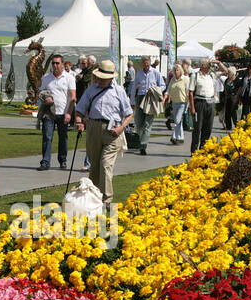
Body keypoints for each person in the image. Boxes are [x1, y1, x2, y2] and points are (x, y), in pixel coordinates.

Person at [74, 59, 132, 206]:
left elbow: (129, 113)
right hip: (93, 128)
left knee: (105, 165)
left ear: (111, 77)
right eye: (99, 77)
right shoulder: (91, 90)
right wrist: (79, 121)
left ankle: (106, 200)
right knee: (94, 166)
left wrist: (121, 128)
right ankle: (93, 197)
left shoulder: (119, 91)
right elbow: (80, 109)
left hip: (112, 132)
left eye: (104, 78)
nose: (100, 80)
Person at [38, 53, 75, 171]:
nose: (55, 65)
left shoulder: (69, 78)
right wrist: (45, 98)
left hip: (63, 111)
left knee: (63, 137)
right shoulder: (46, 78)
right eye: (53, 63)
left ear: (62, 64)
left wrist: (69, 113)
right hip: (49, 112)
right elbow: (40, 93)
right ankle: (45, 162)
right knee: (47, 137)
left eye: (57, 63)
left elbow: (73, 97)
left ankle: (62, 160)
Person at [132, 56, 164, 156]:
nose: (146, 64)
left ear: (150, 62)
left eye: (147, 62)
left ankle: (143, 145)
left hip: (150, 98)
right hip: (140, 98)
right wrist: (132, 101)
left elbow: (163, 85)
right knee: (139, 122)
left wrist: (155, 89)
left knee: (147, 123)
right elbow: (134, 87)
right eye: (144, 63)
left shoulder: (155, 72)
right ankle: (140, 140)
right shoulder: (139, 73)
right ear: (142, 63)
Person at [189, 60, 218, 152]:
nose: (209, 66)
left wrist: (217, 62)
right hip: (199, 102)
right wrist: (192, 107)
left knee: (208, 127)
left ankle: (203, 148)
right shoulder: (195, 76)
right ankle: (194, 149)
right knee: (198, 127)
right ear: (202, 65)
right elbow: (190, 92)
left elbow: (226, 71)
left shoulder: (211, 75)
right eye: (207, 64)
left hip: (210, 102)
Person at [163, 64, 189, 145]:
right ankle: (180, 137)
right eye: (174, 70)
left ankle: (174, 136)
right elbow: (169, 89)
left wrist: (190, 102)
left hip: (183, 102)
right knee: (178, 120)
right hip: (174, 102)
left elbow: (188, 91)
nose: (176, 72)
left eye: (177, 70)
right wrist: (165, 97)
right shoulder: (173, 79)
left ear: (180, 70)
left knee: (177, 120)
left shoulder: (185, 79)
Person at [220, 66, 241, 131]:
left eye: (229, 72)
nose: (228, 73)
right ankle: (228, 126)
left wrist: (237, 97)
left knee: (233, 112)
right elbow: (225, 88)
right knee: (227, 112)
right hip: (227, 98)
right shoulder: (227, 80)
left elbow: (239, 89)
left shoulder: (237, 80)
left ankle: (236, 125)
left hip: (234, 98)